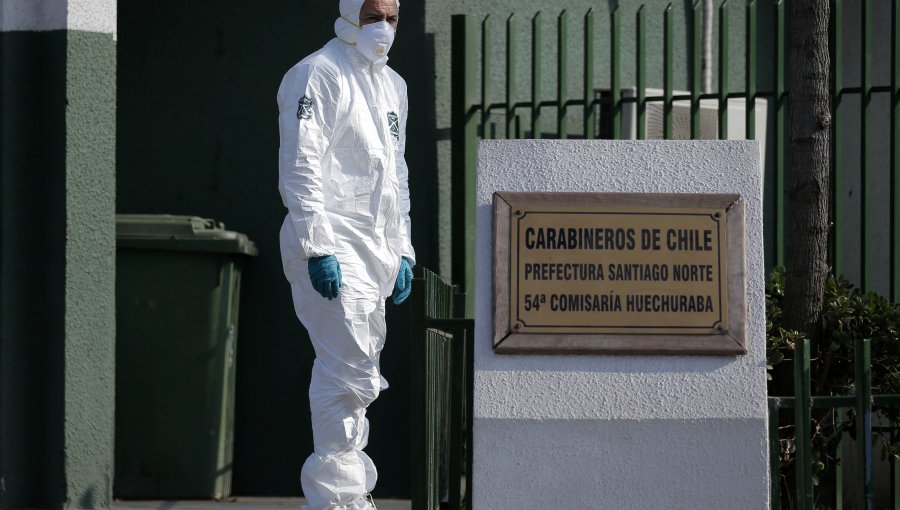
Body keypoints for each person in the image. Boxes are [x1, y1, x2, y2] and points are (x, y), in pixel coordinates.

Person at [276, 0, 415, 508]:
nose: (383, 27)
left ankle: (351, 494)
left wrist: (403, 249)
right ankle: (335, 500)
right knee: (348, 371)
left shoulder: (392, 86)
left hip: (375, 250)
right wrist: (317, 246)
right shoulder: (318, 73)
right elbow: (301, 161)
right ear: (351, 13)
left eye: (392, 17)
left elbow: (396, 175)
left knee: (359, 374)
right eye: (373, 15)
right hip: (333, 243)